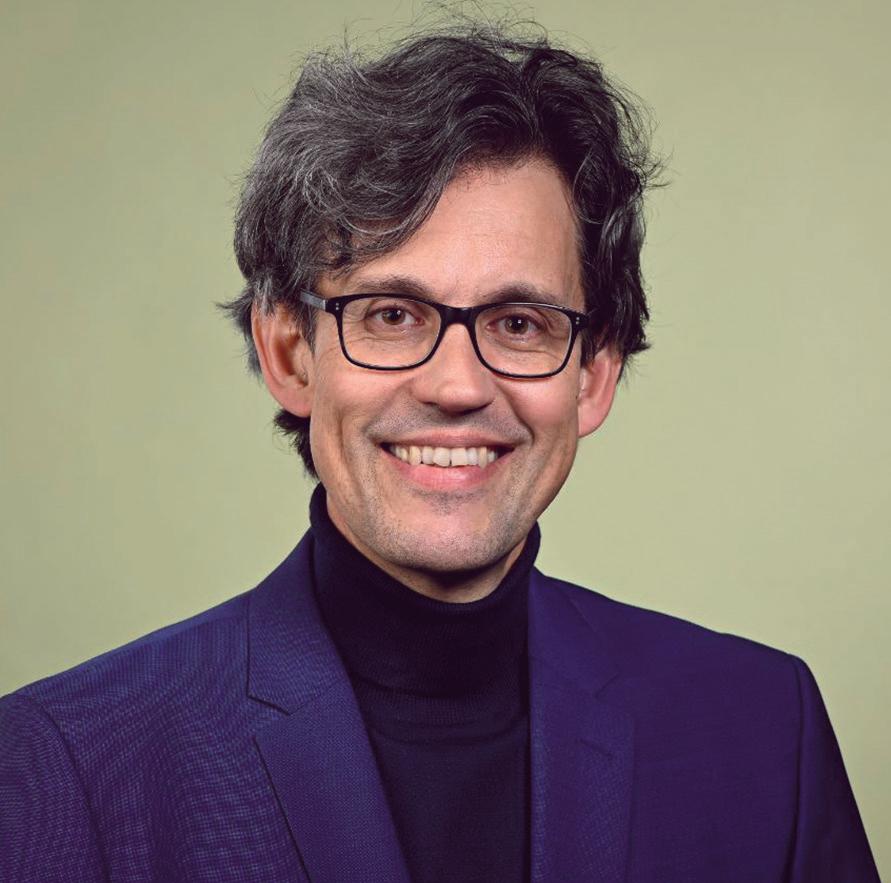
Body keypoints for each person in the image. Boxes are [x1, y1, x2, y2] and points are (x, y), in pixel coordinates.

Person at [0, 21, 879, 883]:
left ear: (594, 374)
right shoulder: (66, 765)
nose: (457, 385)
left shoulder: (763, 733)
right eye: (390, 314)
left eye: (519, 322)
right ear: (289, 354)